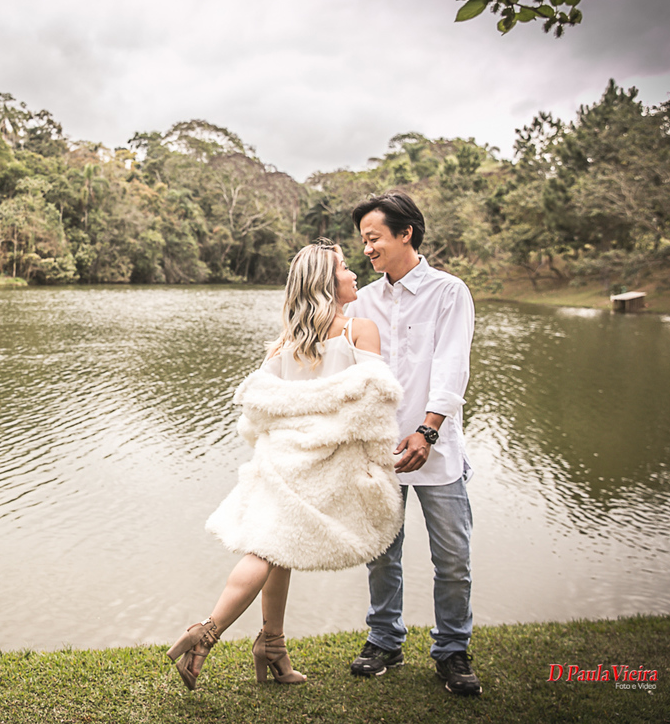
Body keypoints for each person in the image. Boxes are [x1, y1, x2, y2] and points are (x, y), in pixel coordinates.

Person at [166, 240, 405, 691]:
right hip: (325, 465)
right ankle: (208, 632)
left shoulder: (284, 343)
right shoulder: (360, 331)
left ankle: (272, 644)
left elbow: (260, 411)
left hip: (280, 460)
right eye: (345, 267)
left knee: (279, 547)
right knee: (266, 550)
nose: (354, 273)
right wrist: (380, 470)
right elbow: (375, 413)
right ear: (327, 282)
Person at [345, 192, 481, 696]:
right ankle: (384, 640)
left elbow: (452, 367)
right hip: (380, 451)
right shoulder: (363, 301)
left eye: (374, 237)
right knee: (381, 553)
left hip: (437, 447)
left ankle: (452, 650)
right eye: (363, 241)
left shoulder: (449, 292)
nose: (368, 249)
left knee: (452, 558)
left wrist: (428, 430)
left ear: (406, 233)